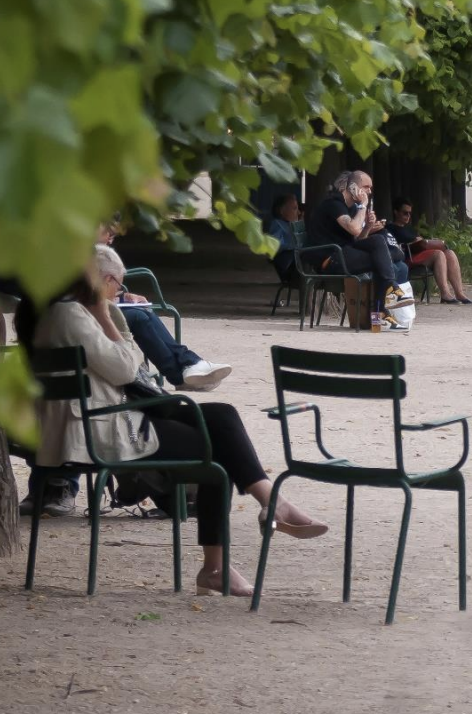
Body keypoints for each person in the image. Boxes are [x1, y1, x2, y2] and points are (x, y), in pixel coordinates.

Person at [19, 245, 328, 596]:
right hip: (102, 428)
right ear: (105, 281)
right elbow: (126, 368)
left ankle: (269, 506)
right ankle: (223, 560)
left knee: (221, 415)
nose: (117, 294)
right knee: (216, 454)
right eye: (117, 287)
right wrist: (106, 316)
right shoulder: (73, 315)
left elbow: (121, 371)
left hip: (103, 417)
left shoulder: (57, 312)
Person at [95, 221, 230, 392]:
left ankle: (187, 366)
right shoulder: (79, 253)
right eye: (109, 233)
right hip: (86, 312)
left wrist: (123, 296)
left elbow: (100, 287)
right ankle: (184, 371)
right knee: (139, 316)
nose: (110, 240)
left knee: (143, 311)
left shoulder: (95, 253)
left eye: (113, 236)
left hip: (98, 305)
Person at [304, 170, 413, 327]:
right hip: (331, 258)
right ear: (353, 187)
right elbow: (354, 229)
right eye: (366, 187)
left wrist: (368, 227)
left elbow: (358, 238)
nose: (369, 191)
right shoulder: (334, 204)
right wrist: (363, 206)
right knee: (381, 261)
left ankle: (384, 304)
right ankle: (382, 308)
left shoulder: (352, 207)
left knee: (384, 246)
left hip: (345, 252)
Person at [387, 200, 472, 305]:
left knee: (449, 253)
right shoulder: (390, 228)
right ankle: (445, 294)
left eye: (410, 213)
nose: (408, 216)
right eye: (405, 213)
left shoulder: (409, 228)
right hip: (407, 258)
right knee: (438, 254)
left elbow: (418, 241)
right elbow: (407, 241)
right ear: (396, 212)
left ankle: (459, 293)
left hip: (417, 254)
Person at [264, 193, 300, 283]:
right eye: (294, 208)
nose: (298, 212)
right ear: (282, 211)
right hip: (288, 270)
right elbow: (274, 246)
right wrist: (294, 246)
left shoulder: (289, 225)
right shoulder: (277, 225)